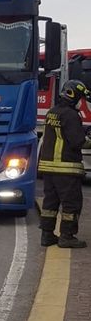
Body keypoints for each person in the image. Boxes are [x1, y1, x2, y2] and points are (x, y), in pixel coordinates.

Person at [38, 79, 91, 248]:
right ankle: (67, 236)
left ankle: (47, 235)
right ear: (74, 95)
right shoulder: (71, 115)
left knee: (50, 203)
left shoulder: (51, 112)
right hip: (66, 168)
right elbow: (77, 142)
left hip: (48, 167)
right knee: (71, 203)